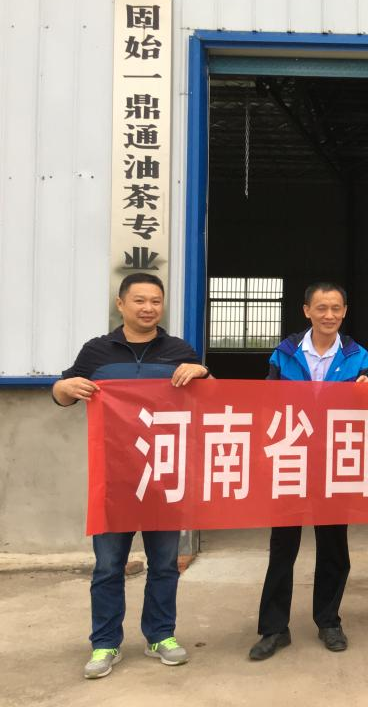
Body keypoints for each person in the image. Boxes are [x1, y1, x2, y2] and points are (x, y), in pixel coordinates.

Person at [53, 272, 209, 679]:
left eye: (155, 301)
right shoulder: (97, 352)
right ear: (121, 304)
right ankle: (105, 643)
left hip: (164, 476)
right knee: (108, 567)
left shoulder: (178, 350)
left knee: (165, 564)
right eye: (139, 300)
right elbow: (62, 392)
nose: (148, 308)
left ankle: (161, 635)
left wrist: (200, 373)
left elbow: (208, 393)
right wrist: (65, 388)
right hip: (114, 479)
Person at [249, 282, 368, 661]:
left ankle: (329, 621)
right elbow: (268, 403)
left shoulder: (358, 355)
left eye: (336, 308)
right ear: (306, 311)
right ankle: (274, 628)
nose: (329, 315)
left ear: (345, 311)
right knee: (282, 547)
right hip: (291, 461)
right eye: (321, 308)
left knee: (334, 546)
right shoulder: (285, 353)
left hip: (336, 464)